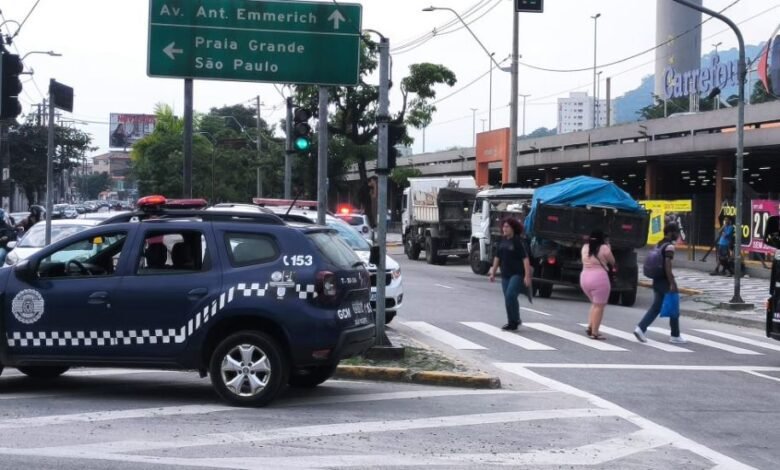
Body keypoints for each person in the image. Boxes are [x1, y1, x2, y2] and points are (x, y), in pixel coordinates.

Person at [634, 223, 686, 344]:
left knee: (656, 307)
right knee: (674, 306)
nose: (678, 235)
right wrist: (672, 282)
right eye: (676, 232)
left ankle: (640, 328)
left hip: (656, 279)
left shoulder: (658, 244)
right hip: (665, 280)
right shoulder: (669, 247)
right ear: (670, 233)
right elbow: (667, 265)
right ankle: (675, 335)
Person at [488, 218, 532, 331]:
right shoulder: (502, 241)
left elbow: (525, 259)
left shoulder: (518, 242)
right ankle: (512, 321)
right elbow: (497, 257)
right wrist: (493, 272)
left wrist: (527, 276)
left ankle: (515, 320)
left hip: (517, 274)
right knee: (508, 299)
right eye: (504, 226)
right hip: (505, 275)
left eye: (507, 226)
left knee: (510, 295)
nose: (504, 228)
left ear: (513, 228)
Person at [579, 230, 615, 340]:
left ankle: (590, 326)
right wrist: (608, 247)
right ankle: (594, 332)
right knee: (599, 306)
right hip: (599, 278)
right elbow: (612, 262)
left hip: (584, 277)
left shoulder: (585, 247)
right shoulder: (604, 248)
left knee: (595, 304)